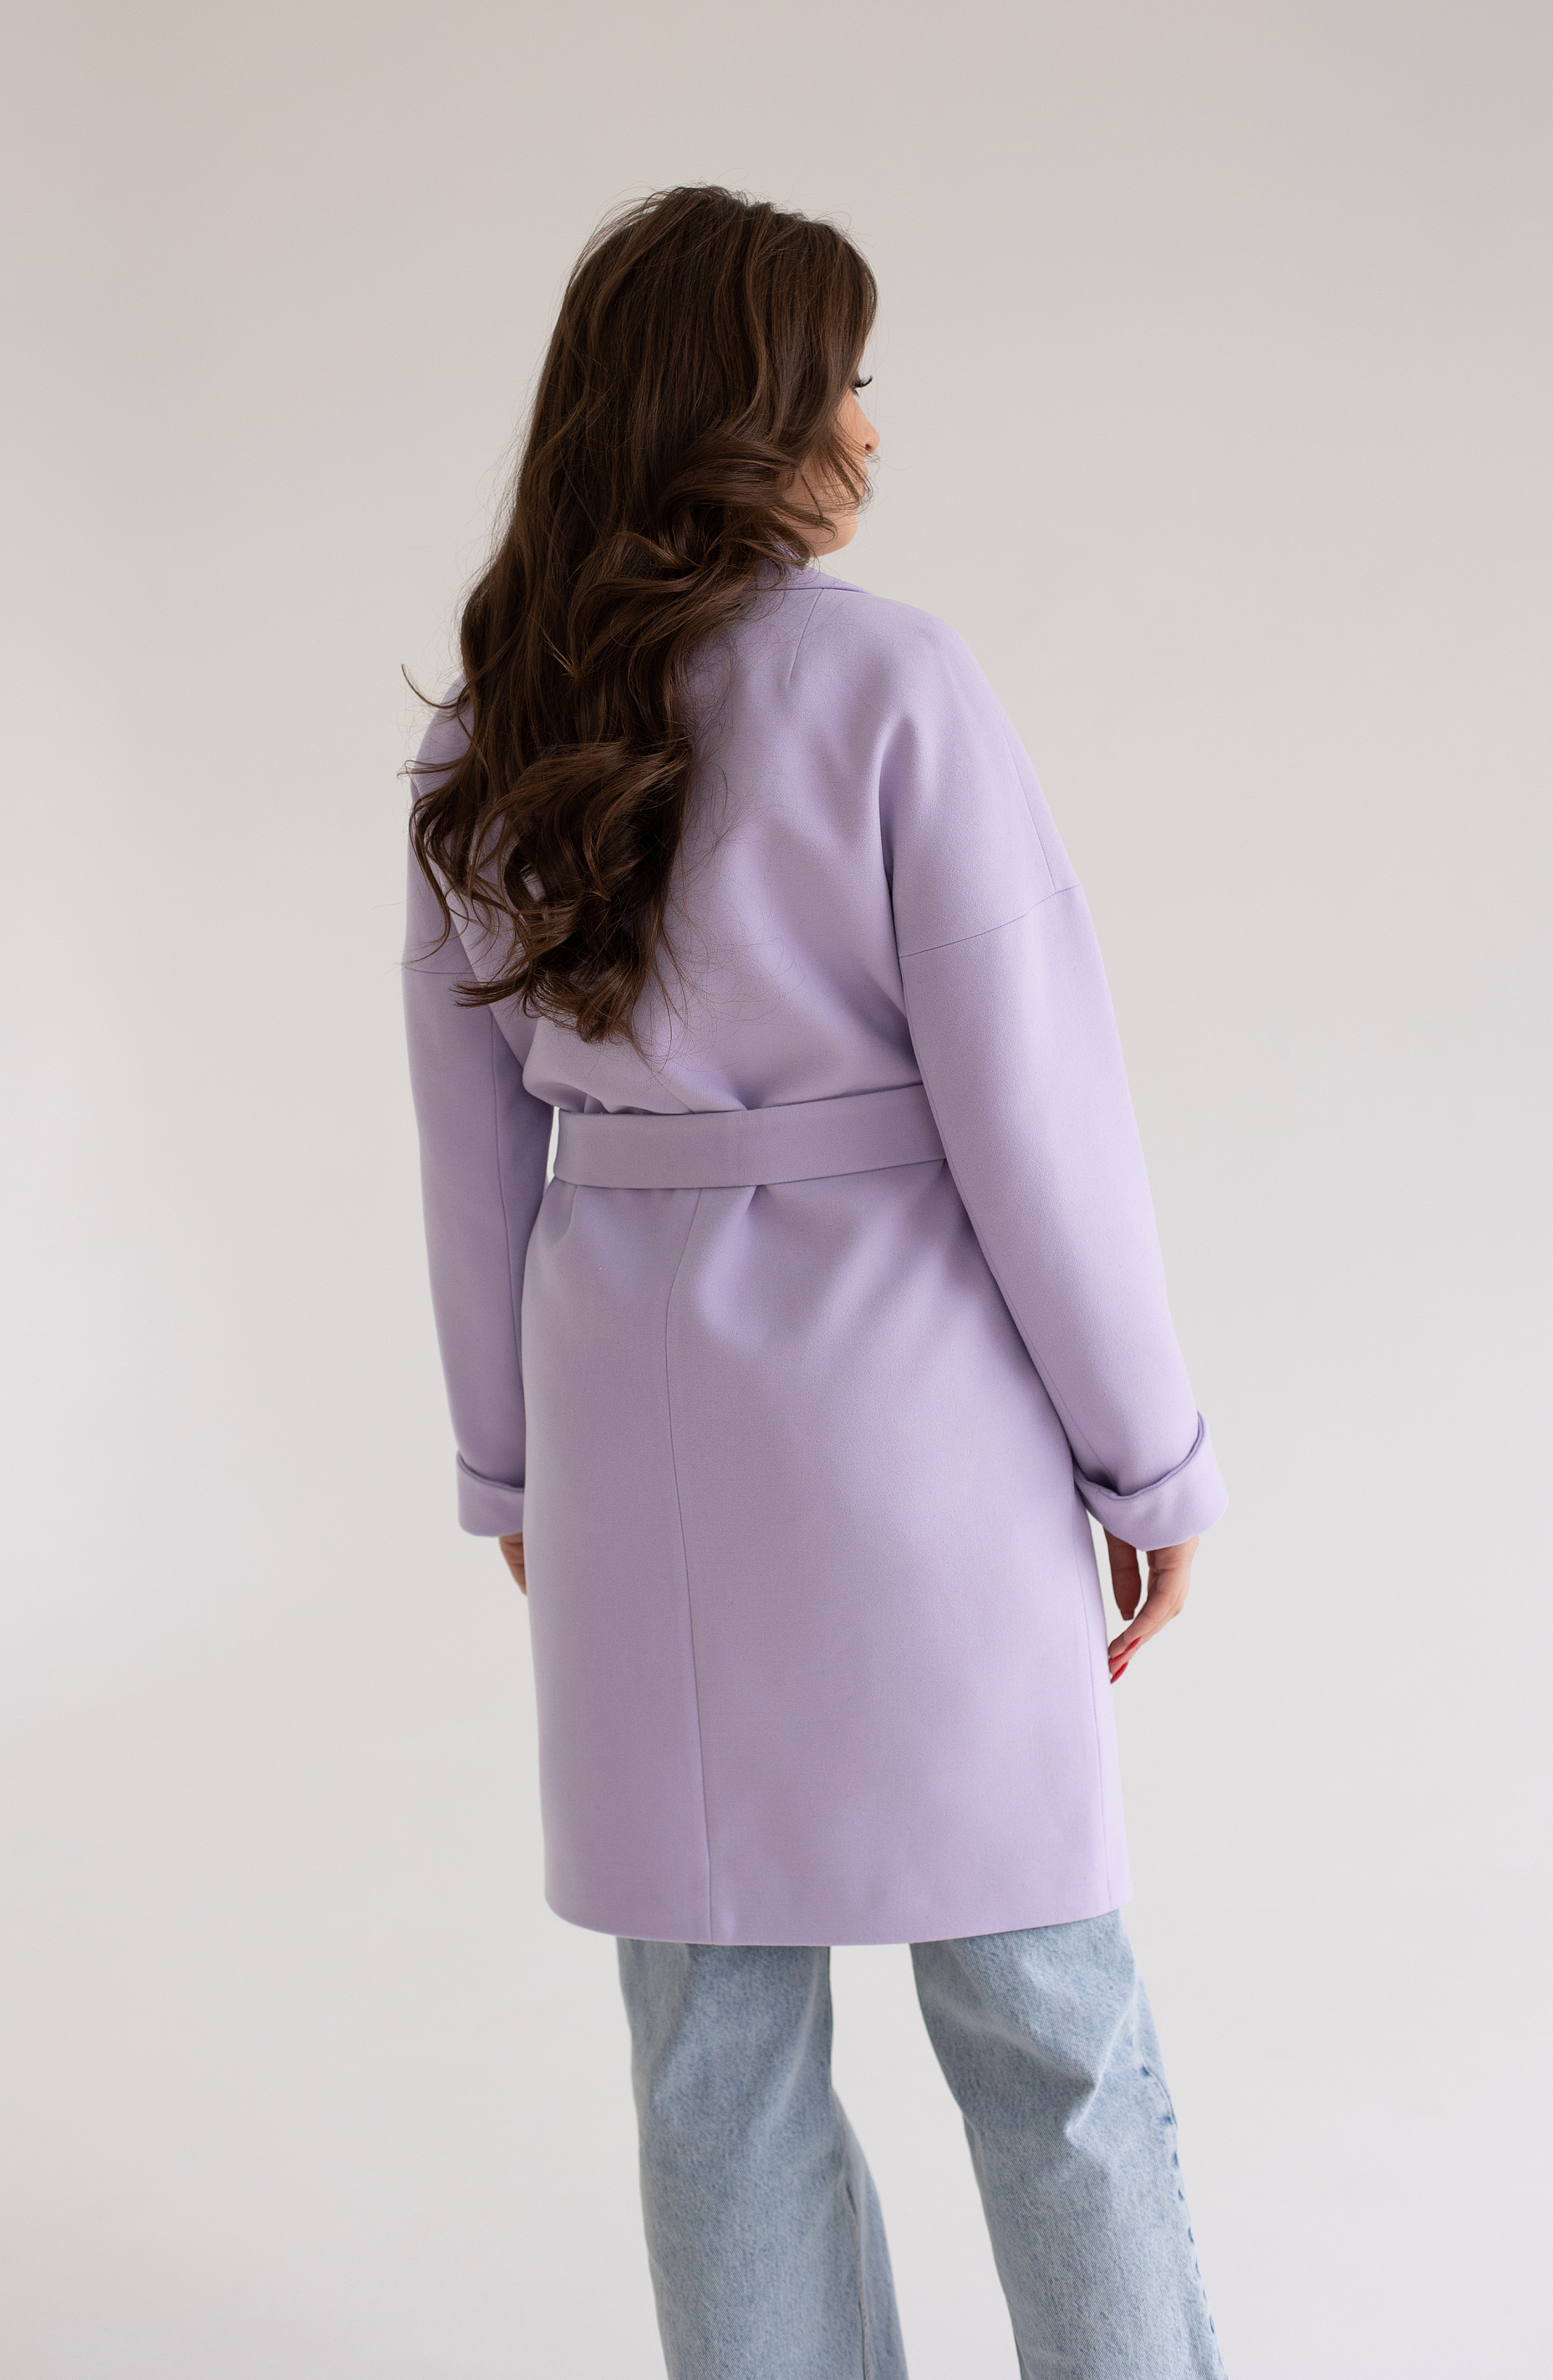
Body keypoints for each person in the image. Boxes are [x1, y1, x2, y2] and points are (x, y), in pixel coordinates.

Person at [403, 184, 1230, 2380]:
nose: (870, 426)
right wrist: (1148, 1457)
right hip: (909, 1422)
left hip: (633, 1432)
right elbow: (1035, 1115)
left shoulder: (493, 728)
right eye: (837, 381)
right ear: (737, 413)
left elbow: (468, 1148)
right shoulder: (889, 685)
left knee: (712, 2056)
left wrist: (512, 1466)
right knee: (1049, 2018)